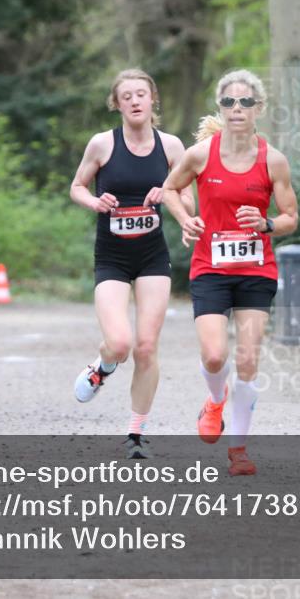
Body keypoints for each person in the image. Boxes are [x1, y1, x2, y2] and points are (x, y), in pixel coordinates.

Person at [162, 69, 299, 476]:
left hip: (256, 270)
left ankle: (238, 449)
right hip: (211, 268)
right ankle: (215, 399)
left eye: (245, 102)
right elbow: (170, 189)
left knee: (247, 358)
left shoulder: (273, 160)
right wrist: (187, 219)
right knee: (215, 353)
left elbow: (291, 216)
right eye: (228, 102)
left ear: (259, 108)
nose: (236, 109)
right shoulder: (201, 154)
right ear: (220, 108)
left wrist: (267, 224)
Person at [69, 69, 193, 459]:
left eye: (141, 94)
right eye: (127, 96)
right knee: (120, 344)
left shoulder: (171, 147)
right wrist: (95, 202)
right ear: (117, 103)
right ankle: (101, 367)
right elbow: (77, 187)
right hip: (112, 257)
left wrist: (168, 195)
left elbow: (189, 204)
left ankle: (135, 434)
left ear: (153, 99)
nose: (135, 101)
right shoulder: (102, 145)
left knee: (145, 347)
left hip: (153, 256)